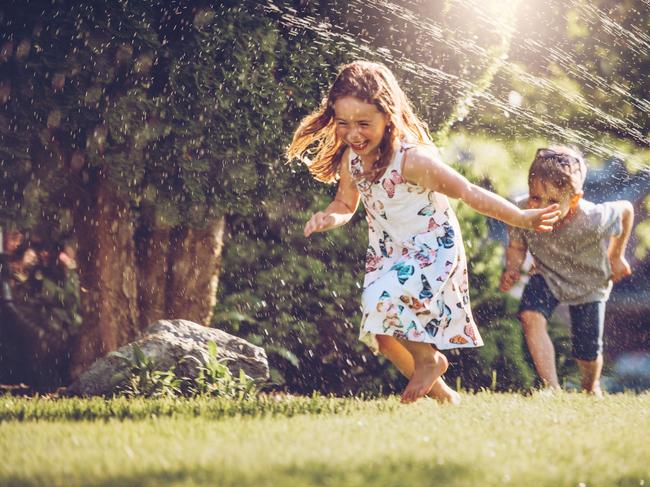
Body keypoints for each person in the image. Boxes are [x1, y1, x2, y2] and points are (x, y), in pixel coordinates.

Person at [287, 61, 560, 404]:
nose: (353, 134)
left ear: (388, 116)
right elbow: (345, 203)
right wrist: (330, 217)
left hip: (432, 248)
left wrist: (519, 217)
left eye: (363, 124)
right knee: (383, 338)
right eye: (343, 123)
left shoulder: (412, 160)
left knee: (380, 303)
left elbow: (467, 191)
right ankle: (446, 398)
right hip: (389, 253)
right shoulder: (352, 161)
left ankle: (430, 360)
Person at [500, 147, 634, 396]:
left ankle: (590, 387)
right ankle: (552, 389)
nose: (541, 207)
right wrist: (512, 267)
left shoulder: (594, 217)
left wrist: (616, 256)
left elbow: (626, 209)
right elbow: (517, 244)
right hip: (547, 275)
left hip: (589, 283)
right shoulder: (522, 211)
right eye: (535, 197)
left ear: (573, 200)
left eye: (552, 201)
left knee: (586, 351)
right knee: (530, 316)